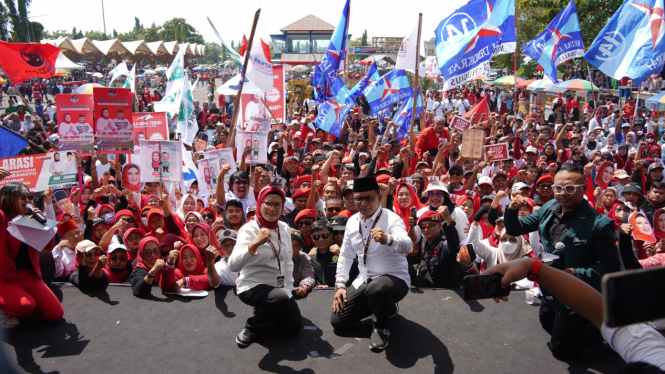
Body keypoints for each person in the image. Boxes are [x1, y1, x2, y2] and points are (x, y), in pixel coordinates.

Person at [504, 163, 621, 359]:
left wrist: (576, 274)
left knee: (561, 351)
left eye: (569, 188)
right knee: (546, 322)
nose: (562, 193)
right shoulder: (549, 208)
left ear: (583, 189)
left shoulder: (600, 225)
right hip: (551, 285)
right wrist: (512, 209)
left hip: (578, 291)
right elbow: (515, 229)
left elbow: (611, 267)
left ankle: (612, 328)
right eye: (557, 188)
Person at [485, 258, 665, 371]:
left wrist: (533, 268)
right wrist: (531, 267)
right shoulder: (657, 360)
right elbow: (602, 313)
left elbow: (601, 313)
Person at [330, 177, 413, 352]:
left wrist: (388, 239)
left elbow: (407, 244)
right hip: (364, 279)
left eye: (369, 198)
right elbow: (345, 254)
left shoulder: (392, 219)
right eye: (358, 198)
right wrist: (340, 285)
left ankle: (381, 326)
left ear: (378, 196)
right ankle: (385, 306)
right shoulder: (352, 221)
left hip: (393, 279)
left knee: (378, 289)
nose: (363, 202)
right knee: (339, 322)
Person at [228, 186, 301, 348]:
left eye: (277, 204)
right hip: (252, 285)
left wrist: (289, 288)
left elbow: (288, 261)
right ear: (260, 203)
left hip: (278, 289)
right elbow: (233, 265)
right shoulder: (248, 229)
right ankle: (251, 328)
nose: (273, 209)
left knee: (293, 328)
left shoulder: (284, 228)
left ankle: (268, 310)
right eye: (268, 203)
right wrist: (254, 244)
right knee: (278, 298)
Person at [0, 182, 63, 328]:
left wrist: (43, 225)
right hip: (4, 278)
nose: (28, 200)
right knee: (23, 306)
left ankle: (19, 303)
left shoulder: (30, 219)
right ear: (8, 198)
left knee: (55, 315)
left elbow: (49, 246)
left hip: (28, 275)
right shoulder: (2, 218)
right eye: (23, 197)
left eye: (30, 196)